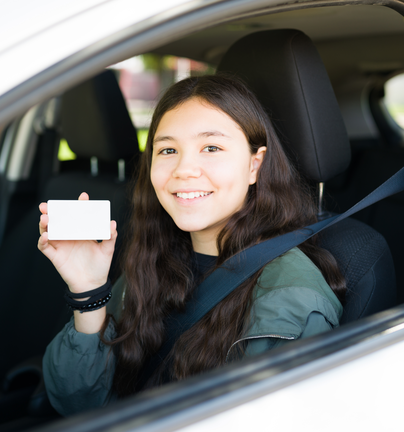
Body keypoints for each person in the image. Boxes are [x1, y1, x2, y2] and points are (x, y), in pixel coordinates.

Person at [37, 74, 345, 416]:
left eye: (211, 148)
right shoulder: (157, 255)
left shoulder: (290, 297)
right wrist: (89, 292)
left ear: (254, 165)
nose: (184, 169)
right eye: (168, 150)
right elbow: (79, 404)